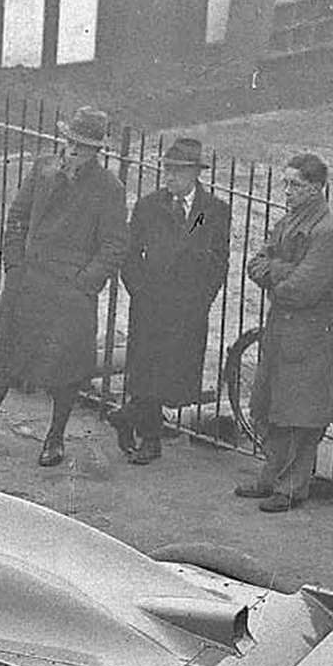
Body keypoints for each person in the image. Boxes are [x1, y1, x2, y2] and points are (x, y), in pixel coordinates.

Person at [0, 106, 126, 466]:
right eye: (71, 143)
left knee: (65, 366)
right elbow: (17, 219)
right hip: (27, 282)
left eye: (83, 147)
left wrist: (84, 283)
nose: (73, 152)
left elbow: (114, 245)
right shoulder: (42, 170)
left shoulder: (109, 188)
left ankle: (55, 438)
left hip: (70, 292)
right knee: (1, 357)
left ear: (95, 152)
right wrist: (14, 265)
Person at [232, 154, 333, 513]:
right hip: (283, 329)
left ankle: (292, 487)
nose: (287, 191)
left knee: (303, 414)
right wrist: (283, 271)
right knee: (274, 407)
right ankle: (271, 477)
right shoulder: (288, 223)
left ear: (315, 188)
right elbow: (254, 263)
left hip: (314, 333)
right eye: (286, 183)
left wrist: (275, 273)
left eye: (295, 185)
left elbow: (301, 289)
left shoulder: (326, 232)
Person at [114, 137, 233, 466]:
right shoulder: (149, 206)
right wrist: (138, 289)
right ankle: (149, 438)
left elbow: (218, 259)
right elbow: (129, 253)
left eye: (178, 172)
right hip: (151, 302)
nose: (170, 178)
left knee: (174, 373)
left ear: (195, 173)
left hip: (189, 306)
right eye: (167, 171)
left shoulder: (212, 211)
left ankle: (128, 417)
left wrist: (204, 299)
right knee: (147, 368)